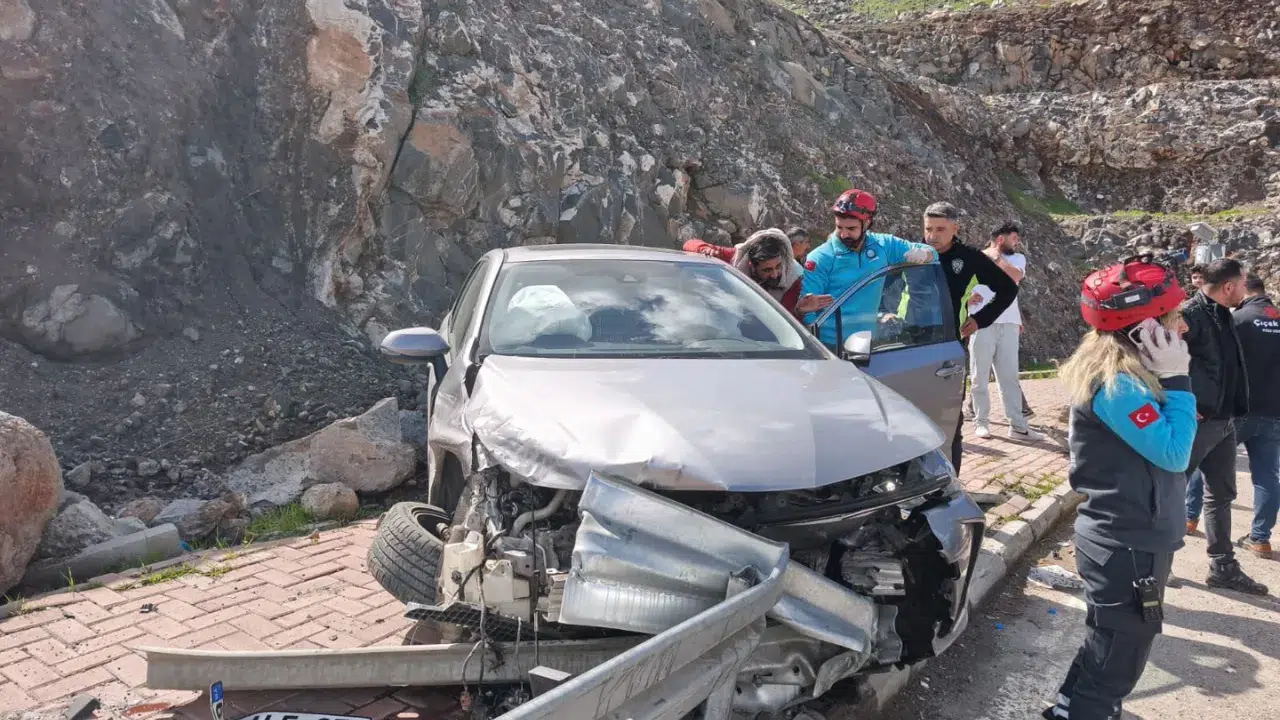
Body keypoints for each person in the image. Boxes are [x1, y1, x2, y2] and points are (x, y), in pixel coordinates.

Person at [1045, 256, 1197, 720]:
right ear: (1143, 330)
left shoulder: (1126, 379)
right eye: (1173, 318)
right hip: (1126, 539)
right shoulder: (1117, 387)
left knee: (1109, 639)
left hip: (1127, 534)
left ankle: (1073, 706)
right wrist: (1178, 379)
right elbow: (1174, 453)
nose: (1184, 327)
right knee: (1121, 652)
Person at [1180, 258, 1267, 594]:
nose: (1246, 288)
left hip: (1225, 420)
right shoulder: (1191, 314)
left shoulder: (1222, 313)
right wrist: (1188, 403)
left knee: (1221, 494)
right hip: (1201, 421)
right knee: (1174, 488)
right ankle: (1156, 561)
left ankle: (1223, 567)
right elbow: (1167, 362)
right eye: (1243, 283)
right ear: (1229, 286)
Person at [918, 202, 1019, 472]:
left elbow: (1008, 289)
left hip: (948, 346)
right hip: (910, 344)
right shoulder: (914, 253)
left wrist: (980, 319)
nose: (932, 235)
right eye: (928, 228)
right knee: (914, 416)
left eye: (940, 229)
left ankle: (952, 481)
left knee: (950, 418)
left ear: (955, 228)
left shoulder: (970, 258)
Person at [802, 188, 935, 347]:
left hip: (867, 342)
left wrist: (926, 255)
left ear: (867, 223)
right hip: (830, 345)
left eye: (851, 229)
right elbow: (807, 314)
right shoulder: (820, 258)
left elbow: (932, 252)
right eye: (839, 227)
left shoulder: (884, 245)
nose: (844, 234)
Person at [967, 222, 1041, 442]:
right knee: (979, 376)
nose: (1016, 242)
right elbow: (963, 284)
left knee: (1009, 377)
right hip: (981, 322)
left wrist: (994, 257)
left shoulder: (1017, 258)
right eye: (1014, 238)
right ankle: (981, 423)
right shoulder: (975, 258)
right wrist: (967, 298)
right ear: (1001, 238)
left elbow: (1015, 277)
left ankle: (1018, 427)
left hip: (1009, 324)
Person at [1231, 274, 1280, 558]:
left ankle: (1189, 518)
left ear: (1245, 289)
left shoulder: (1239, 320)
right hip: (1274, 412)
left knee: (1207, 463)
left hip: (1239, 409)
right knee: (1267, 476)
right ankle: (1260, 539)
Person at [683, 229, 832, 319]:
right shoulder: (738, 258)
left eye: (778, 267)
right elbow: (690, 244)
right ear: (752, 265)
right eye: (767, 270)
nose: (774, 275)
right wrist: (705, 250)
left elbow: (784, 321)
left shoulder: (794, 277)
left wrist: (798, 310)